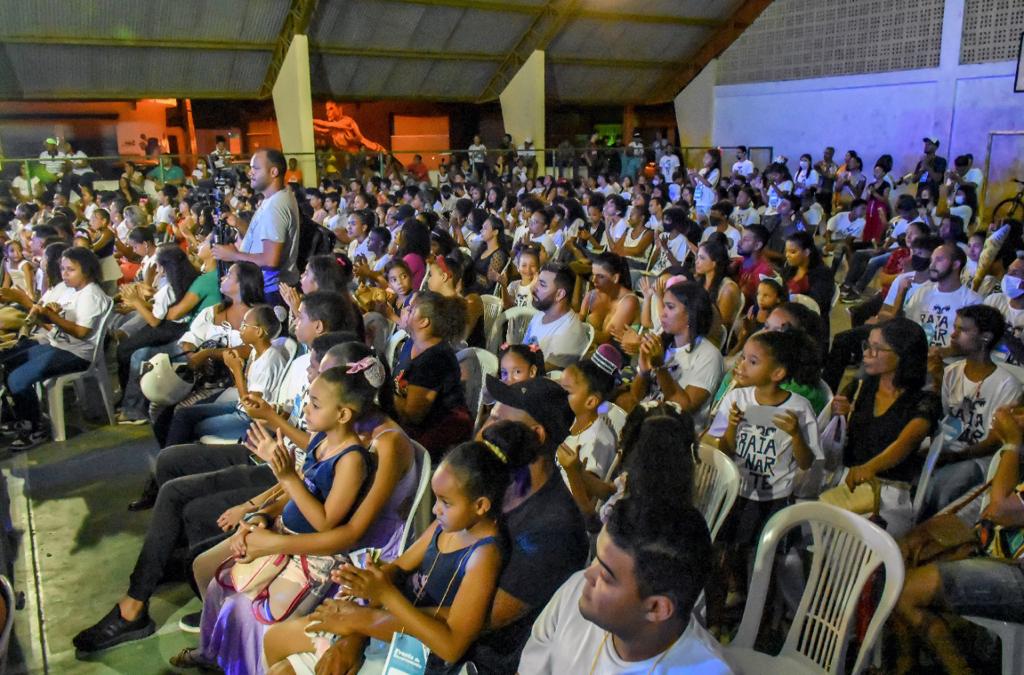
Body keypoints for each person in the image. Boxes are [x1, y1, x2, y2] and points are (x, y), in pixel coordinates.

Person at [169, 358, 381, 672]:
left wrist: (287, 477)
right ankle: (212, 651)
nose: (305, 409)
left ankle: (246, 666)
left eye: (315, 404)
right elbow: (293, 496)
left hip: (313, 559)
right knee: (218, 585)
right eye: (309, 400)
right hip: (283, 535)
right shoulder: (321, 442)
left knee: (248, 610)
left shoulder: (351, 461)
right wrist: (260, 516)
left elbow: (326, 523)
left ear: (343, 414)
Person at [519, 499, 731, 674]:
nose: (587, 574)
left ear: (656, 608)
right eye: (596, 558)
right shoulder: (574, 594)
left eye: (605, 574)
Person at [892, 406, 1024, 675]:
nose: (1014, 416)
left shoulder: (1015, 452)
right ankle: (905, 665)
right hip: (991, 548)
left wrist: (1012, 443)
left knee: (906, 591)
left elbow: (1000, 510)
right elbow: (985, 503)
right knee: (897, 561)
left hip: (1017, 573)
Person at [706, 330, 821, 628]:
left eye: (752, 361)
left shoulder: (798, 408)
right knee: (730, 551)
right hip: (739, 491)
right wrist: (731, 427)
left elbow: (807, 462)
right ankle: (735, 605)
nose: (741, 365)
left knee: (764, 558)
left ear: (777, 372)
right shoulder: (737, 398)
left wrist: (796, 434)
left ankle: (765, 618)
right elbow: (725, 451)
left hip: (774, 498)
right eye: (743, 357)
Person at [833, 318, 942, 534]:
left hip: (890, 492)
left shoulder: (924, 401)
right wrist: (841, 414)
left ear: (903, 355)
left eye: (877, 349)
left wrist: (870, 467)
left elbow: (906, 442)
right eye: (867, 346)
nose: (867, 353)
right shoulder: (861, 386)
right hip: (847, 483)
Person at [0, 246, 112, 450]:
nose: (64, 274)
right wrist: (45, 314)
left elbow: (81, 332)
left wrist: (51, 316)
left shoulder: (91, 295)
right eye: (63, 269)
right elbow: (55, 323)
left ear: (86, 270)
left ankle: (35, 429)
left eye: (70, 270)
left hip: (78, 353)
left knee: (18, 379)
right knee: (10, 362)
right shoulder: (72, 291)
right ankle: (25, 417)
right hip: (59, 344)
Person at [921, 305, 1023, 517]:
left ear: (985, 337)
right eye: (955, 328)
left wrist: (954, 456)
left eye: (963, 330)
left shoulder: (1007, 386)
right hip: (946, 449)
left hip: (976, 458)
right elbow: (943, 419)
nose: (954, 334)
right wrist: (938, 381)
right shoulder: (950, 372)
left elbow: (994, 441)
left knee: (940, 488)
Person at [383, 291, 472, 462]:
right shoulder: (412, 343)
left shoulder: (434, 359)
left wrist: (383, 389)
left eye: (412, 309)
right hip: (413, 426)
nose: (405, 309)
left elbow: (413, 416)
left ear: (424, 322)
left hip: (434, 436)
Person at [629, 281, 723, 432]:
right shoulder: (662, 343)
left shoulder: (709, 355)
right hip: (647, 423)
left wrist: (660, 366)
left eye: (670, 307)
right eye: (664, 306)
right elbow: (636, 397)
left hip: (674, 435)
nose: (662, 313)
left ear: (691, 314)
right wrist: (644, 372)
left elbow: (684, 409)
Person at [212, 149, 300, 306]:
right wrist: (238, 223)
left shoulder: (275, 207)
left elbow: (270, 260)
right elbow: (263, 241)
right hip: (264, 287)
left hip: (269, 292)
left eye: (256, 168)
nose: (250, 173)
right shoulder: (273, 198)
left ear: (273, 172)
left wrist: (234, 255)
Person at [556, 345, 622, 514]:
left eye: (567, 391)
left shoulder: (597, 441)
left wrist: (575, 471)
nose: (559, 395)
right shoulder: (573, 420)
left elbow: (586, 501)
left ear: (591, 402)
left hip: (566, 515)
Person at [903, 242, 981, 349]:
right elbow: (907, 324)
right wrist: (901, 294)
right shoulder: (923, 291)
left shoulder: (972, 301)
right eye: (931, 260)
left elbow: (971, 344)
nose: (932, 265)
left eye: (939, 260)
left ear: (955, 265)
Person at [523, 263, 590, 370]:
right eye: (537, 283)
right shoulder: (541, 314)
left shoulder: (568, 332)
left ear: (560, 294)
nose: (533, 288)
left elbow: (541, 374)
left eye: (542, 285)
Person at [580, 252, 639, 347]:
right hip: (589, 349)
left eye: (600, 276)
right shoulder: (591, 295)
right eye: (593, 275)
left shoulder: (628, 302)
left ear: (615, 278)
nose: (594, 280)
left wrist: (575, 327)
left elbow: (605, 338)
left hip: (614, 356)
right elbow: (581, 317)